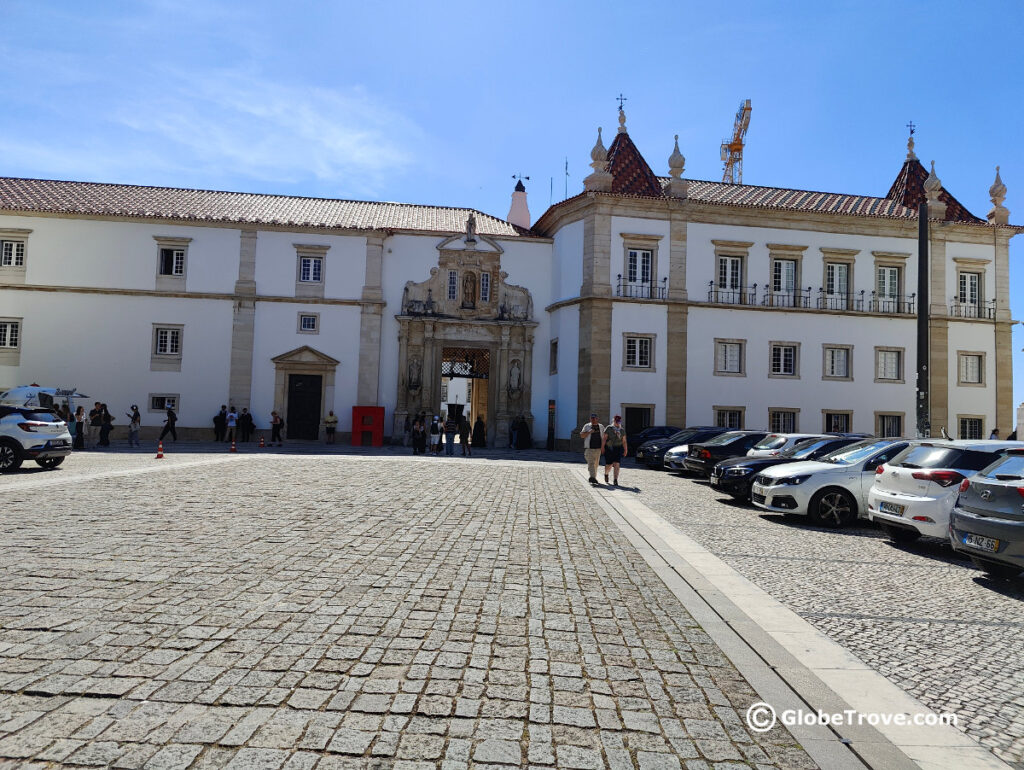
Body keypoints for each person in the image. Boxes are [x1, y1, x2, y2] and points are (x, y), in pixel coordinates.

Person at [602, 415, 628, 486]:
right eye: (616, 421)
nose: (617, 423)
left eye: (618, 421)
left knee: (617, 463)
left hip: (618, 448)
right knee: (609, 464)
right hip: (609, 448)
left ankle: (615, 479)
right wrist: (602, 447)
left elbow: (624, 441)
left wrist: (625, 450)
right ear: (613, 421)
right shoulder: (609, 428)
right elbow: (604, 438)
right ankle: (606, 474)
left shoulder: (622, 430)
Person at [580, 413, 605, 485]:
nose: (593, 420)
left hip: (598, 449)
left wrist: (603, 447)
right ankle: (592, 477)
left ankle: (593, 477)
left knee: (596, 464)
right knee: (591, 463)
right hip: (589, 448)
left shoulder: (601, 427)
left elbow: (603, 437)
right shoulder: (587, 426)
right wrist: (589, 432)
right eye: (591, 418)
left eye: (594, 418)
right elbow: (582, 435)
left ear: (597, 419)